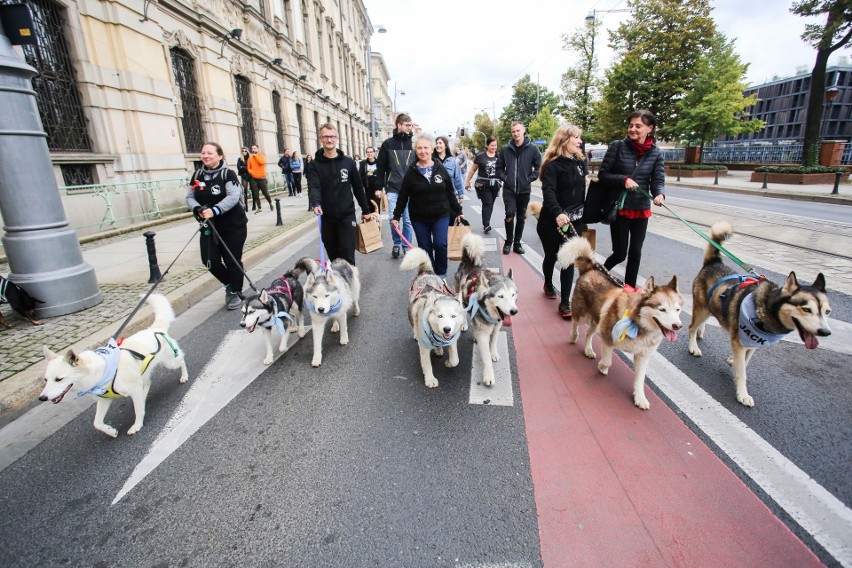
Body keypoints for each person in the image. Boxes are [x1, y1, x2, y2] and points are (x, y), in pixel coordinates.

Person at [597, 109, 666, 289]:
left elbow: (657, 180)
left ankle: (629, 289)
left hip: (641, 208)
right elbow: (603, 175)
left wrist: (659, 194)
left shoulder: (656, 153)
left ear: (649, 128)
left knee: (636, 252)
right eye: (631, 125)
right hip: (620, 207)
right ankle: (598, 275)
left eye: (638, 126)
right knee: (620, 253)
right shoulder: (617, 146)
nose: (633, 129)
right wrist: (624, 180)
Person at [392, 134, 464, 279]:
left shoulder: (440, 168)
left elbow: (450, 192)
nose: (423, 151)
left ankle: (441, 275)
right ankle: (430, 276)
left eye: (426, 148)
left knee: (440, 244)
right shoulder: (411, 172)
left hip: (441, 215)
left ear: (432, 150)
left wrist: (458, 211)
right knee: (425, 248)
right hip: (419, 218)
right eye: (419, 148)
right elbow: (403, 196)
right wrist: (396, 216)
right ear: (415, 151)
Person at [186, 142, 248, 310]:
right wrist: (197, 208)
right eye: (203, 152)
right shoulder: (197, 175)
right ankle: (228, 283)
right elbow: (190, 196)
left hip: (233, 225)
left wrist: (215, 210)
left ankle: (235, 291)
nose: (206, 156)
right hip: (209, 226)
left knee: (232, 260)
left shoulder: (228, 174)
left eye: (210, 153)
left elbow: (233, 196)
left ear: (220, 156)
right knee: (209, 261)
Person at [536, 123, 588, 319]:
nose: (580, 142)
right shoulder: (552, 165)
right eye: (576, 138)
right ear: (564, 140)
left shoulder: (580, 162)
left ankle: (565, 301)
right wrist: (558, 212)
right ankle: (548, 282)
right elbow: (548, 192)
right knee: (551, 256)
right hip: (551, 220)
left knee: (568, 260)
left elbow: (582, 192)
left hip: (574, 221)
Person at [306, 124, 373, 265]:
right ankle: (338, 285)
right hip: (326, 218)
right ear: (321, 139)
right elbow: (314, 187)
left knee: (347, 255)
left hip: (347, 216)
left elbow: (358, 187)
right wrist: (316, 204)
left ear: (336, 138)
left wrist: (366, 210)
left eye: (332, 136)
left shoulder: (348, 162)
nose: (329, 140)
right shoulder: (314, 165)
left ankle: (350, 286)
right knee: (334, 257)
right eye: (326, 137)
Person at [496, 121, 542, 255]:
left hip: (524, 190)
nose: (515, 133)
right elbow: (499, 168)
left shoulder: (532, 149)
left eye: (518, 131)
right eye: (513, 131)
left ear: (523, 131)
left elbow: (539, 167)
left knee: (521, 217)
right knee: (510, 214)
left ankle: (517, 243)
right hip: (509, 190)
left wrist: (529, 178)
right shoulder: (506, 149)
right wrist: (506, 178)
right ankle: (508, 242)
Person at [376, 113, 415, 259]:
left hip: (411, 189)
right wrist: (379, 187)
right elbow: (381, 167)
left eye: (410, 125)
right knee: (394, 219)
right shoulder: (388, 144)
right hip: (393, 188)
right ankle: (397, 243)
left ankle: (407, 247)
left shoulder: (414, 144)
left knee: (408, 220)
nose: (410, 128)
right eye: (407, 125)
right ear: (399, 125)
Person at [464, 136, 501, 234]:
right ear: (487, 146)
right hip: (483, 184)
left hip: (495, 184)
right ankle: (486, 224)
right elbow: (472, 170)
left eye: (495, 145)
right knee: (487, 203)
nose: (494, 147)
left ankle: (486, 222)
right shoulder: (481, 156)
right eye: (492, 145)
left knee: (491, 203)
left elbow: (503, 169)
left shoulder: (499, 156)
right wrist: (467, 182)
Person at [434, 135, 465, 205]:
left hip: (449, 195)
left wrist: (461, 195)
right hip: (434, 196)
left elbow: (458, 178)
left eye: (440, 143)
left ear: (446, 145)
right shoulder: (431, 160)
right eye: (436, 143)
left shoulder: (452, 161)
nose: (438, 145)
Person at [247, 144, 273, 213]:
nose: (253, 150)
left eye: (255, 148)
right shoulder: (250, 158)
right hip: (254, 178)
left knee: (265, 193)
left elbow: (262, 162)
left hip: (262, 178)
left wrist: (256, 156)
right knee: (255, 194)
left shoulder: (261, 156)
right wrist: (252, 172)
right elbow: (249, 168)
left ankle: (270, 202)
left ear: (258, 149)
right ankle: (259, 207)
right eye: (252, 148)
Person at [359, 146, 383, 214]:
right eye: (368, 152)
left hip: (377, 189)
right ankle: (369, 223)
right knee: (368, 207)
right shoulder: (363, 163)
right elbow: (359, 176)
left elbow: (382, 176)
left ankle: (377, 223)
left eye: (371, 152)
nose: (369, 154)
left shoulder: (379, 163)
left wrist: (380, 189)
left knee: (376, 207)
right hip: (367, 189)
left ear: (374, 153)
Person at [236, 147, 251, 212]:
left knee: (254, 190)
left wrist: (243, 167)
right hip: (244, 176)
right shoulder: (240, 159)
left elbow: (250, 168)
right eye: (243, 151)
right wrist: (245, 167)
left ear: (247, 152)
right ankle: (246, 206)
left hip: (250, 175)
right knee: (244, 191)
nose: (244, 152)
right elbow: (238, 167)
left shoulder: (250, 159)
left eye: (245, 151)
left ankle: (254, 205)